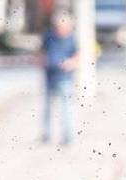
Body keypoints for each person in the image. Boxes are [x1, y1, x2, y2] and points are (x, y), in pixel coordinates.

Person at [40, 11, 78, 145]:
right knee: (48, 109)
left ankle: (68, 138)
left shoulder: (72, 38)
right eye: (58, 27)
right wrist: (42, 60)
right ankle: (46, 135)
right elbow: (41, 51)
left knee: (66, 109)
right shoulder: (48, 36)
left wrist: (70, 64)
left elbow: (78, 56)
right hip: (50, 76)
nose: (60, 30)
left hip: (65, 78)